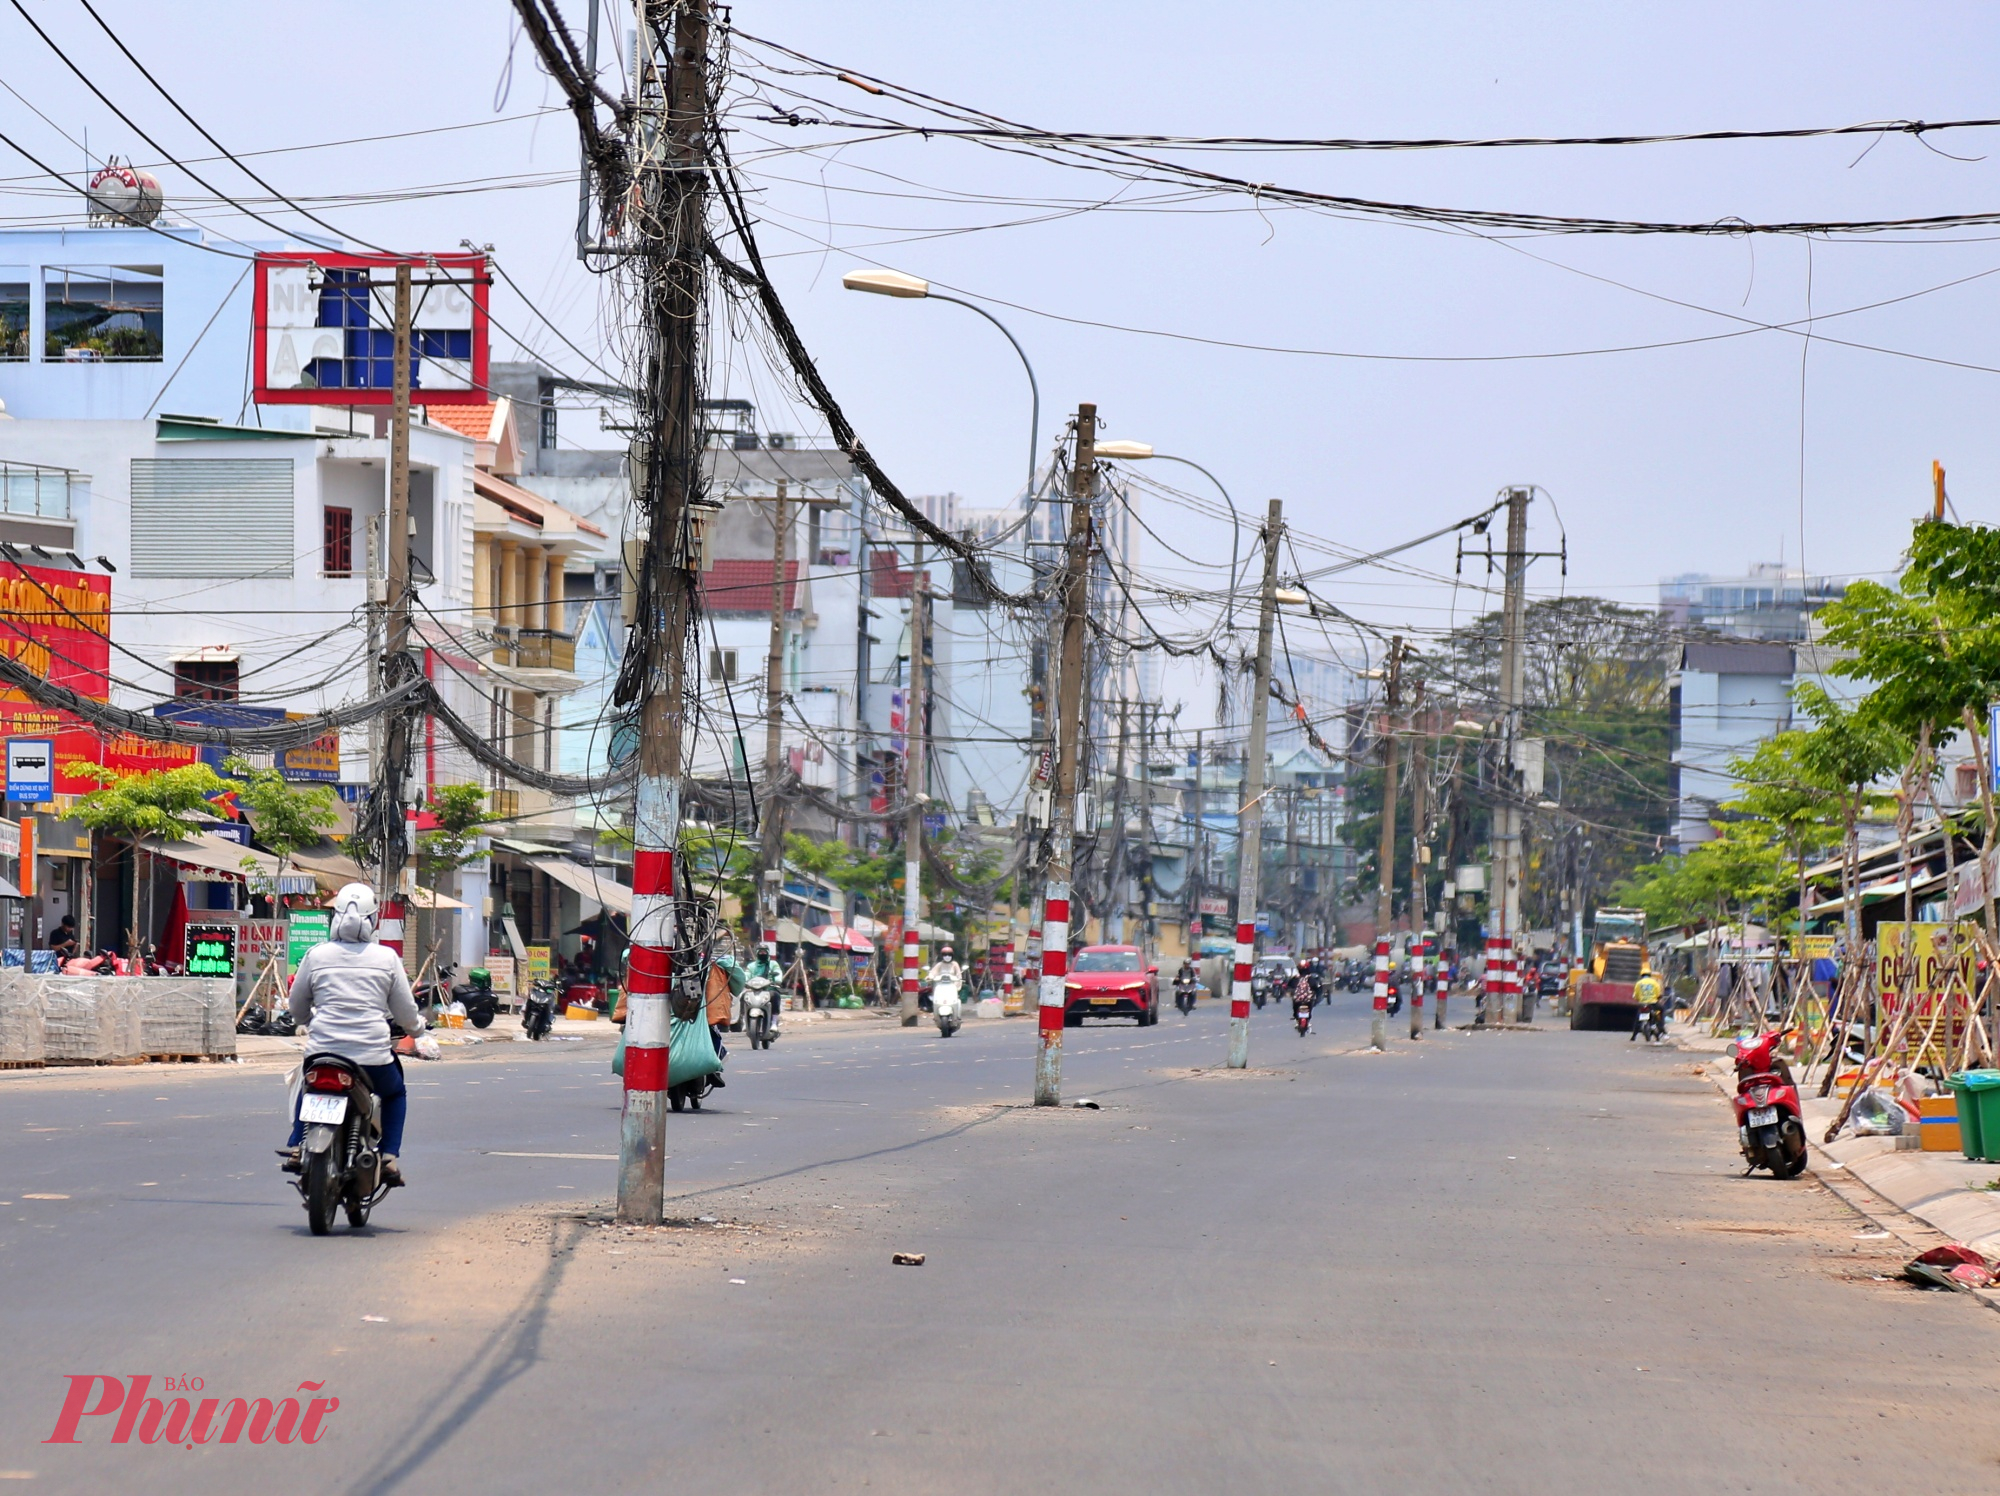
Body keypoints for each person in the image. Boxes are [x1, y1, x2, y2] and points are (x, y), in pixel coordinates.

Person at [278, 884, 423, 1184]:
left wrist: (305, 1019)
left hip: (322, 1053)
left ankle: (297, 1144)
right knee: (395, 1094)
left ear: (335, 916)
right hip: (372, 1058)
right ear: (372, 921)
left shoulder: (316, 955)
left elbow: (297, 1004)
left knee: (305, 1084)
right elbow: (406, 1013)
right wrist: (417, 1029)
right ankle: (388, 1156)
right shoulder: (387, 958)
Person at [742, 943, 784, 1033]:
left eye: (764, 951)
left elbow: (778, 972)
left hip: (769, 989)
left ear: (768, 952)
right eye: (760, 951)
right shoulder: (751, 966)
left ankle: (773, 1021)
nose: (762, 953)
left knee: (775, 996)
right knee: (743, 996)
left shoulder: (773, 964)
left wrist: (777, 980)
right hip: (753, 989)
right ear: (756, 952)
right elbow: (747, 974)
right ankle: (744, 1020)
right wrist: (744, 981)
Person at [1631, 969, 1664, 1041]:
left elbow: (1636, 995)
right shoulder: (1654, 983)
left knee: (1638, 1019)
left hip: (1642, 1004)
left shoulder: (1638, 983)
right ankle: (1661, 1027)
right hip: (1653, 1003)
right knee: (1661, 1010)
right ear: (1650, 975)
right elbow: (1658, 994)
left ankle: (1634, 1036)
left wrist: (1639, 999)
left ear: (1642, 975)